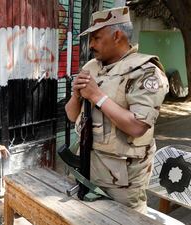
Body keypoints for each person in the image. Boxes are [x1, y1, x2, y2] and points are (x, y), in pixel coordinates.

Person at [65, 6, 169, 213]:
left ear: (118, 36)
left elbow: (138, 126)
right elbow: (71, 115)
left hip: (122, 181)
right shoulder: (92, 67)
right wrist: (77, 95)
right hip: (86, 167)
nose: (91, 44)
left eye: (96, 38)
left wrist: (96, 96)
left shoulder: (146, 72)